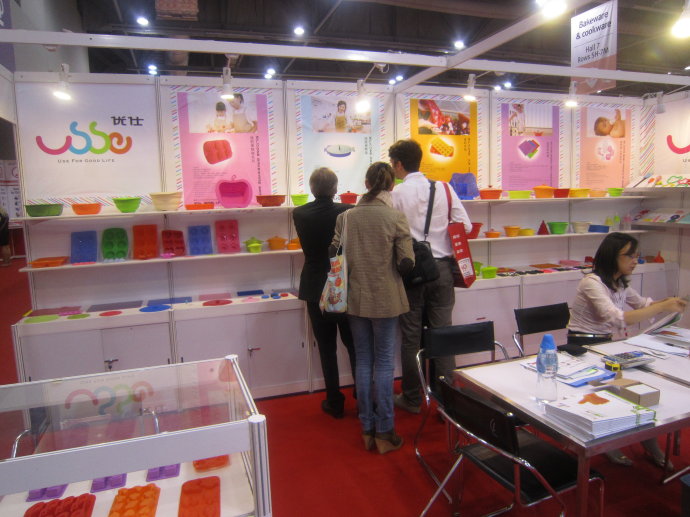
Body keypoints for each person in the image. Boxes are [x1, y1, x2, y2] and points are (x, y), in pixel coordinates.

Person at [568, 232, 687, 468]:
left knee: (641, 383)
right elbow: (617, 319)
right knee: (616, 389)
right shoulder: (591, 282)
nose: (635, 261)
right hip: (582, 346)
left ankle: (648, 439)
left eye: (636, 256)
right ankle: (609, 442)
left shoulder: (620, 282)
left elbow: (642, 304)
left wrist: (668, 303)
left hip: (606, 345)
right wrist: (661, 307)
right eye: (630, 256)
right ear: (612, 256)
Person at [330, 161, 414, 454]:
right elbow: (407, 262)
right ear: (391, 186)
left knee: (363, 360)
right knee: (385, 362)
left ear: (366, 184)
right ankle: (385, 431)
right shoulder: (395, 217)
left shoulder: (346, 217)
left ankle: (366, 427)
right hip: (386, 297)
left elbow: (334, 251)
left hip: (355, 296)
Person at [389, 139, 472, 414]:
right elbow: (465, 226)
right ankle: (446, 400)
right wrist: (439, 233)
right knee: (443, 334)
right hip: (443, 270)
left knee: (411, 337)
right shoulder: (445, 188)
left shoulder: (396, 194)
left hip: (411, 270)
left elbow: (389, 233)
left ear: (398, 164)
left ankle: (413, 398)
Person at [292, 168, 356, 419]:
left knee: (326, 347)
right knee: (354, 344)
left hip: (314, 284)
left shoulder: (300, 213)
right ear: (335, 188)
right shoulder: (348, 211)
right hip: (342, 283)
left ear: (311, 188)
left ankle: (334, 401)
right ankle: (362, 394)